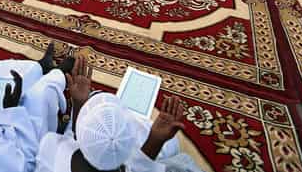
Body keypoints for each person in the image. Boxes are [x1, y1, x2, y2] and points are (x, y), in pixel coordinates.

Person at [35, 59, 201, 172]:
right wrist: (154, 141)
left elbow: (73, 139)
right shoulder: (128, 164)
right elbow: (138, 167)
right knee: (178, 153)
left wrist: (79, 104)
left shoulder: (49, 147)